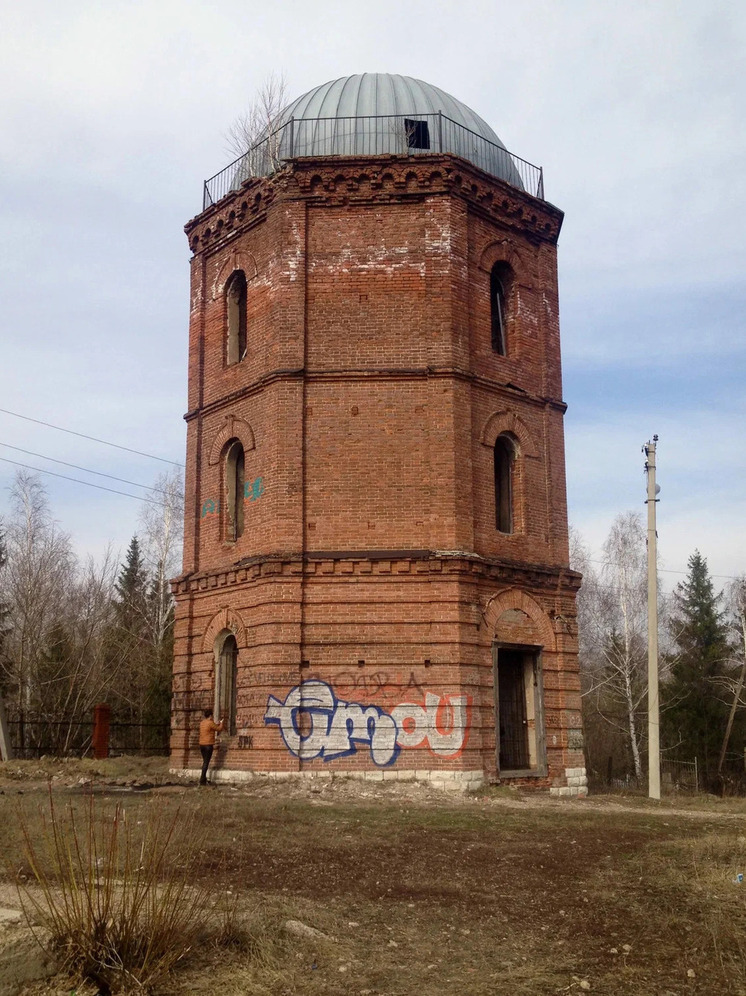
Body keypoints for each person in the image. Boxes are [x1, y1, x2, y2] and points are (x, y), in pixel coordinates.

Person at [198, 708, 224, 785]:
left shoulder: (202, 723)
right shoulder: (210, 723)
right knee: (206, 762)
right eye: (212, 715)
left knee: (204, 762)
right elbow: (219, 728)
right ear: (210, 715)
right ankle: (202, 780)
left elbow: (213, 727)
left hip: (201, 744)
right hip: (208, 745)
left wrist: (217, 724)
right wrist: (221, 723)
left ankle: (204, 778)